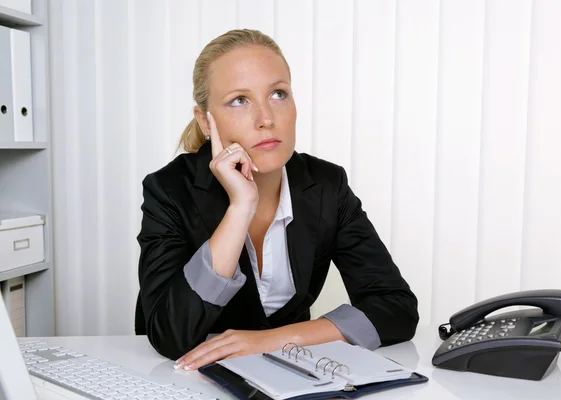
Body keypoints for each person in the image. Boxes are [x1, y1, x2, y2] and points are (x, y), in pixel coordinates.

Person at [135, 29, 419, 371]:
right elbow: (170, 335)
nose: (266, 119)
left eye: (278, 94)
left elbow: (396, 307)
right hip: (187, 382)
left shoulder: (327, 185)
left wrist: (276, 339)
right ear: (205, 121)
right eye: (239, 100)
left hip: (292, 377)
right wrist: (240, 209)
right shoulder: (169, 190)